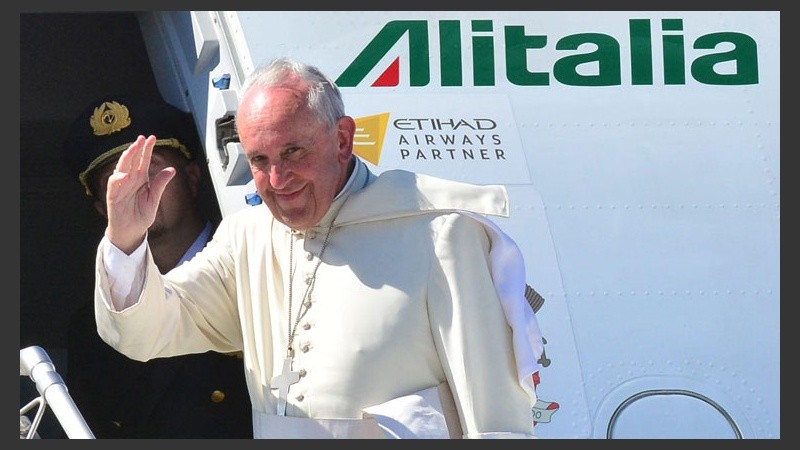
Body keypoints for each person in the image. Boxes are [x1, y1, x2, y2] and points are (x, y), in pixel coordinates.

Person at [91, 58, 545, 439]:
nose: (277, 180)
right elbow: (145, 333)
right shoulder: (246, 239)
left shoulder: (441, 234)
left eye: (293, 153)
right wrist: (126, 239)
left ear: (343, 139)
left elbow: (495, 419)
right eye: (260, 161)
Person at [62, 95, 253, 438]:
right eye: (117, 181)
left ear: (193, 178)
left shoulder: (254, 265)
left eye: (152, 169)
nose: (139, 189)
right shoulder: (90, 334)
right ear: (103, 209)